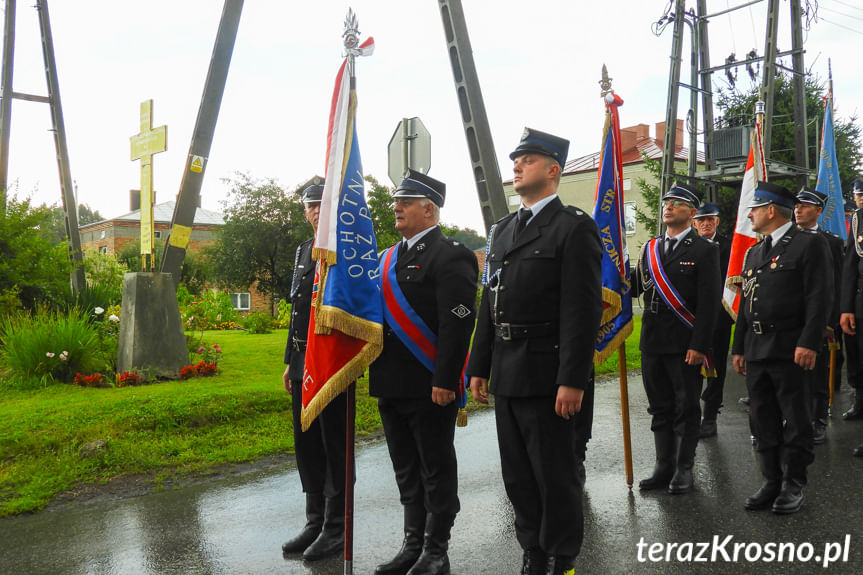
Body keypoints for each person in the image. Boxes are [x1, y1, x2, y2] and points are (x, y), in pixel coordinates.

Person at [468, 128, 602, 575]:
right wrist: (479, 365)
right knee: (518, 474)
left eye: (526, 159)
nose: (517, 165)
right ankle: (533, 548)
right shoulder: (503, 230)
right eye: (516, 159)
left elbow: (581, 312)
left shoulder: (573, 228)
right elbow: (490, 302)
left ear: (552, 170)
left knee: (555, 473)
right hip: (507, 370)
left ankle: (562, 554)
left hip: (548, 372)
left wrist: (572, 379)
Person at [369, 170, 478, 575]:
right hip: (390, 383)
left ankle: (437, 550)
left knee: (435, 468)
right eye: (397, 201)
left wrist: (446, 380)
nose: (395, 207)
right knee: (405, 468)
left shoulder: (451, 255)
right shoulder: (387, 258)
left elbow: (458, 322)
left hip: (430, 383)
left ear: (428, 208)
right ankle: (411, 545)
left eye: (405, 201)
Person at [731, 181, 832, 515]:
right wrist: (739, 347)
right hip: (758, 347)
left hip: (791, 348)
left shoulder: (808, 245)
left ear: (770, 210)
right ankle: (771, 480)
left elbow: (819, 298)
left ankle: (793, 483)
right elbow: (747, 301)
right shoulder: (756, 251)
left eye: (755, 209)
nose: (750, 215)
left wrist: (809, 342)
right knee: (762, 419)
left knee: (796, 418)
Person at [633, 183, 720, 495]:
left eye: (677, 203)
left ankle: (684, 468)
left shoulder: (705, 250)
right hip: (652, 340)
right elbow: (632, 287)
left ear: (692, 213)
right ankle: (663, 465)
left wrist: (699, 345)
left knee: (685, 406)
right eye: (667, 201)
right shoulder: (650, 249)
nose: (668, 207)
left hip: (684, 342)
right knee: (659, 407)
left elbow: (709, 304)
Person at [280, 182, 348, 561]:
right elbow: (296, 310)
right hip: (304, 361)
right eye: (310, 206)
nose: (316, 211)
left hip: (334, 362)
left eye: (322, 204)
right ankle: (315, 519)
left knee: (332, 444)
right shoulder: (304, 251)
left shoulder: (344, 250)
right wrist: (290, 361)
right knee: (306, 441)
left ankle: (336, 527)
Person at [794, 187, 843, 445]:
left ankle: (818, 419)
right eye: (796, 206)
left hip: (818, 319)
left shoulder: (831, 242)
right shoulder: (786, 239)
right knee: (792, 374)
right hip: (790, 320)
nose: (798, 210)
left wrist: (829, 321)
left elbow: (834, 284)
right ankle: (795, 418)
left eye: (805, 205)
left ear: (819, 210)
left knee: (817, 373)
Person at [691, 203, 732, 438]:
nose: (706, 223)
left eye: (710, 219)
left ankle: (710, 416)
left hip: (718, 318)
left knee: (715, 369)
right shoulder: (689, 245)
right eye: (701, 219)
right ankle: (691, 414)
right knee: (691, 368)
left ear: (717, 222)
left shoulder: (728, 247)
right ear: (694, 223)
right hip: (690, 317)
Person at [841, 180, 863, 456]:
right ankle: (860, 401)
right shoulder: (859, 219)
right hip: (860, 299)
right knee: (857, 357)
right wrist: (845, 307)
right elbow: (850, 264)